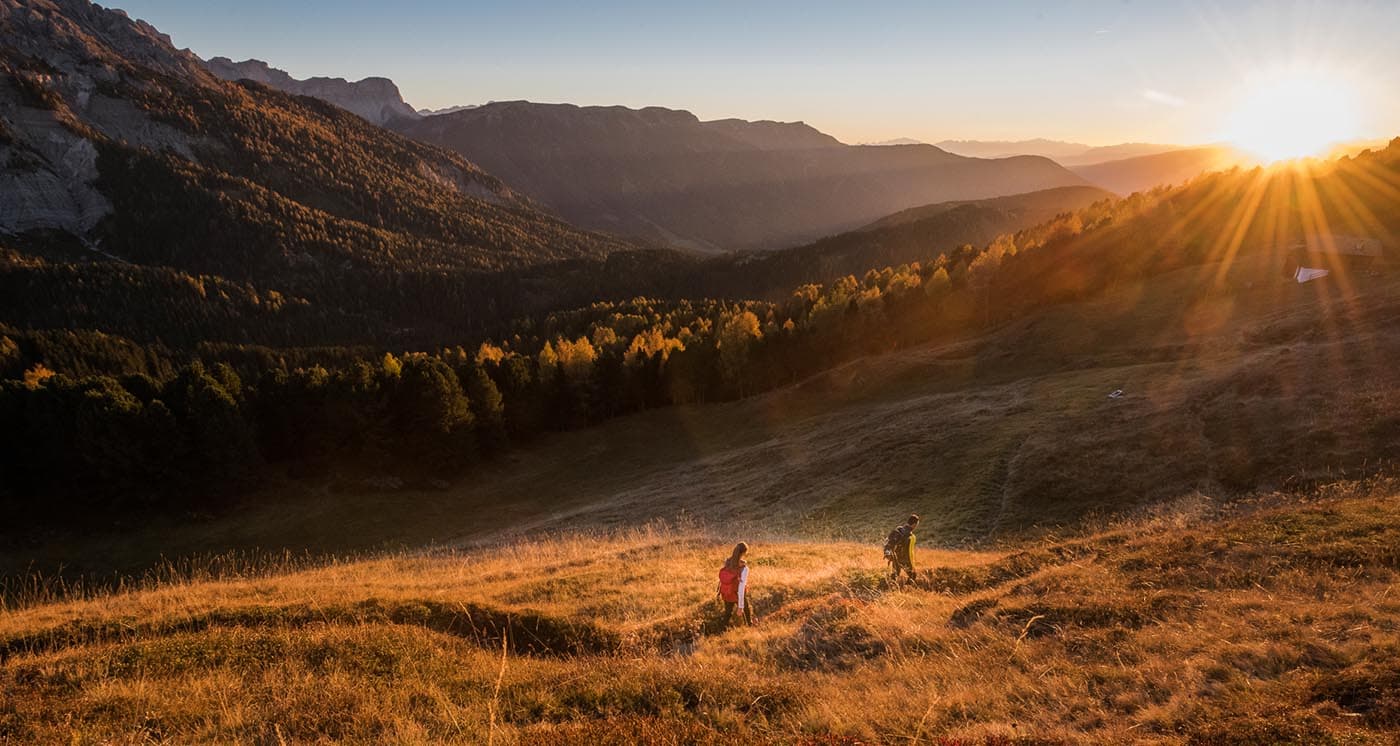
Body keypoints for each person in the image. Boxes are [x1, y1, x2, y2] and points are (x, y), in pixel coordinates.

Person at [717, 542, 752, 627]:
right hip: (736, 593)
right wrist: (740, 607)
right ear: (743, 553)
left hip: (726, 592)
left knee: (727, 613)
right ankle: (749, 626)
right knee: (746, 610)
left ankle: (722, 630)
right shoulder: (744, 568)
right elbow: (741, 588)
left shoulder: (727, 562)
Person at [885, 514, 919, 583]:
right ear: (914, 524)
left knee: (895, 574)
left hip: (895, 556)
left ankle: (889, 587)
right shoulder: (910, 536)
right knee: (913, 575)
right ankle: (906, 590)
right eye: (917, 524)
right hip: (903, 559)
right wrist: (912, 565)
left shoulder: (899, 529)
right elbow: (908, 553)